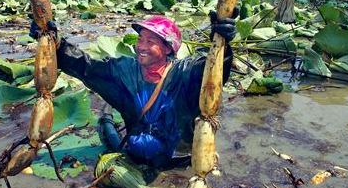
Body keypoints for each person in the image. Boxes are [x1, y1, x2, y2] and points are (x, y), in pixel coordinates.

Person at [29, 11, 237, 168]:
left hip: (179, 162)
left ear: (167, 49)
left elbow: (214, 74)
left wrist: (223, 45)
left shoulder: (185, 73)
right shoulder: (125, 71)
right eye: (140, 40)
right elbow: (86, 67)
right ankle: (109, 124)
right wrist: (54, 44)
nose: (141, 46)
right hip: (136, 156)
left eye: (150, 41)